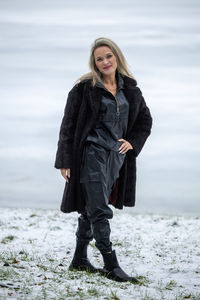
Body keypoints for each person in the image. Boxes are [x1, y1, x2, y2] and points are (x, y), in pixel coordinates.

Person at [54, 37, 152, 283]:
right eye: (99, 59)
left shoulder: (131, 89)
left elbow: (145, 120)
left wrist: (133, 142)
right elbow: (68, 125)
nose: (105, 61)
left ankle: (79, 259)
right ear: (94, 63)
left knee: (91, 207)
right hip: (91, 153)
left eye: (108, 56)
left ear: (116, 57)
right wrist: (64, 161)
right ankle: (111, 264)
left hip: (116, 158)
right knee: (99, 209)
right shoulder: (83, 89)